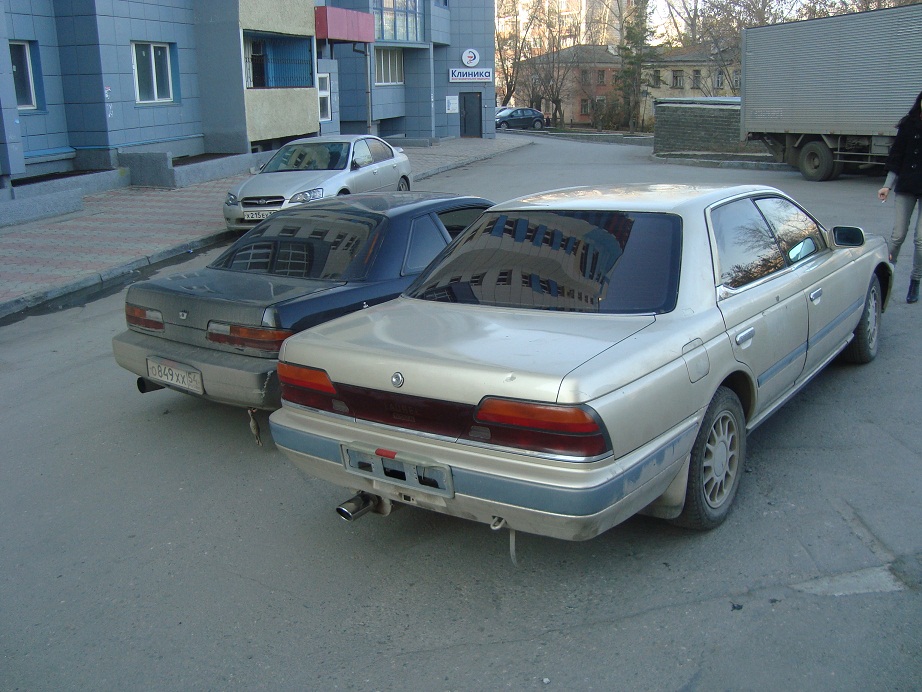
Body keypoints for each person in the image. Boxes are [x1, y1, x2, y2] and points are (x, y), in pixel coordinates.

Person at [878, 90, 922, 304]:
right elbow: (896, 157)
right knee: (898, 236)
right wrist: (887, 186)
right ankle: (887, 273)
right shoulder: (908, 126)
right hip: (906, 186)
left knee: (921, 241)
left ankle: (915, 281)